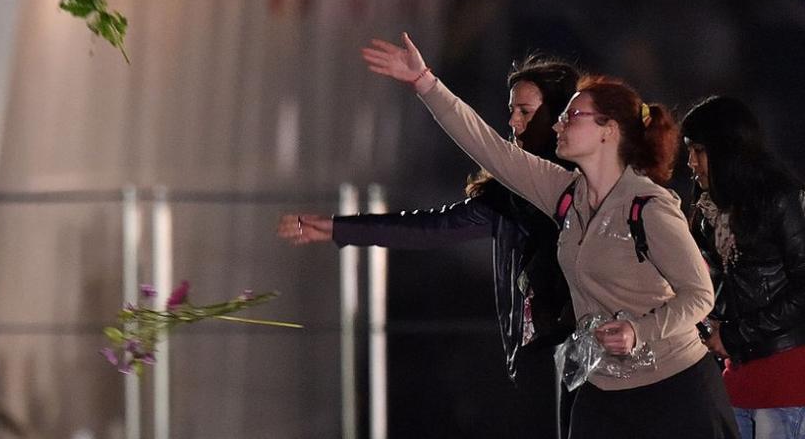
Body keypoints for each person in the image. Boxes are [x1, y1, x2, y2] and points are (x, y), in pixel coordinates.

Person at [356, 32, 737, 439]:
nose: (557, 123)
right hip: (603, 391)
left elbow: (699, 296)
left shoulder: (650, 206)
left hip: (674, 391)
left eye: (572, 117)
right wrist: (425, 83)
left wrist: (637, 331)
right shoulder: (564, 192)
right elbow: (489, 149)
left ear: (608, 130)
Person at [279, 56, 580, 438]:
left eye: (525, 111)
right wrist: (340, 228)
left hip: (591, 361)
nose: (513, 123)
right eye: (511, 111)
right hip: (537, 363)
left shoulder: (587, 190)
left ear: (558, 117)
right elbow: (433, 227)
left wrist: (426, 83)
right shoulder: (508, 197)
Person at [682, 96, 805, 439]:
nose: (691, 163)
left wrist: (736, 334)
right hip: (738, 373)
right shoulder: (708, 212)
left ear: (727, 150)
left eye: (699, 151)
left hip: (784, 377)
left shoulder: (778, 198)